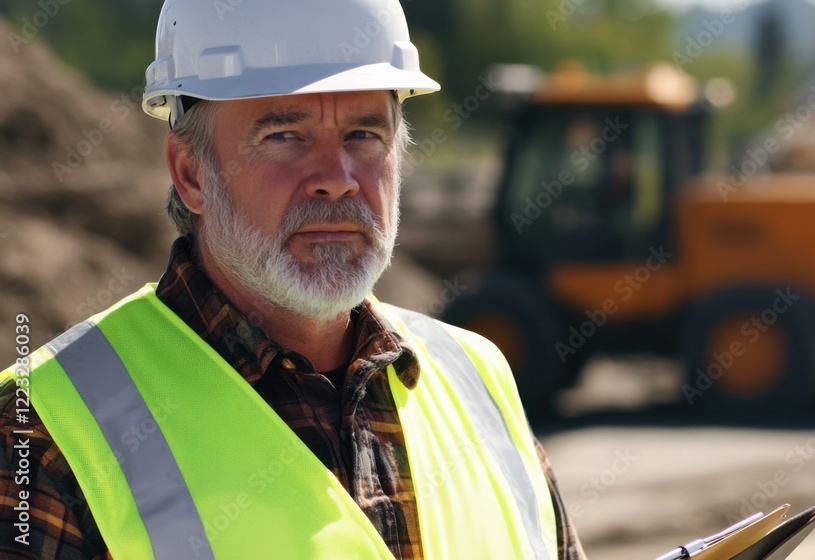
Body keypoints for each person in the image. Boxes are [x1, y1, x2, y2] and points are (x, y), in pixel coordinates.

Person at [0, 0, 586, 558]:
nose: (337, 179)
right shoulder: (41, 430)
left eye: (364, 135)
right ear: (190, 172)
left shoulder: (477, 377)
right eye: (284, 136)